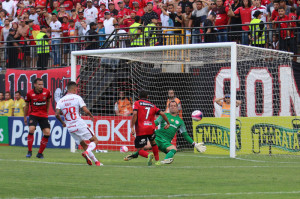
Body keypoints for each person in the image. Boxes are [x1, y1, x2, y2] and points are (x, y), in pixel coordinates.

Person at [125, 101, 206, 164]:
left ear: (177, 108)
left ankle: (165, 160)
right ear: (169, 107)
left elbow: (185, 135)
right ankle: (134, 155)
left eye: (175, 106)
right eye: (171, 106)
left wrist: (194, 144)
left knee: (174, 149)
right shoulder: (164, 115)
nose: (173, 107)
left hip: (166, 142)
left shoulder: (180, 122)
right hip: (157, 138)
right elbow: (155, 123)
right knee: (144, 148)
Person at [55, 81, 103, 166]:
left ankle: (96, 162)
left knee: (83, 144)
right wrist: (91, 116)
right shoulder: (77, 97)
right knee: (95, 140)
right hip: (78, 123)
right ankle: (87, 152)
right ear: (74, 88)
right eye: (76, 88)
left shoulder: (61, 100)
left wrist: (63, 123)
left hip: (70, 127)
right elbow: (85, 110)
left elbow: (57, 114)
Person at [130, 90, 170, 166]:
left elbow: (135, 114)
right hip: (151, 128)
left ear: (138, 97)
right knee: (153, 142)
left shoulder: (137, 103)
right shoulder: (152, 105)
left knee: (140, 149)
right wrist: (168, 123)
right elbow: (162, 113)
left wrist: (132, 126)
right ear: (147, 97)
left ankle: (148, 155)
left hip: (141, 129)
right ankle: (157, 161)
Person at [24, 78, 52, 159]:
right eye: (39, 84)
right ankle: (29, 151)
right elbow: (26, 106)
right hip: (34, 114)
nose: (41, 86)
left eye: (42, 84)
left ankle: (40, 153)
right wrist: (25, 117)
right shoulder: (29, 93)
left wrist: (47, 112)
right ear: (35, 85)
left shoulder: (47, 92)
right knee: (31, 129)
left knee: (47, 133)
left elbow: (48, 101)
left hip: (43, 115)